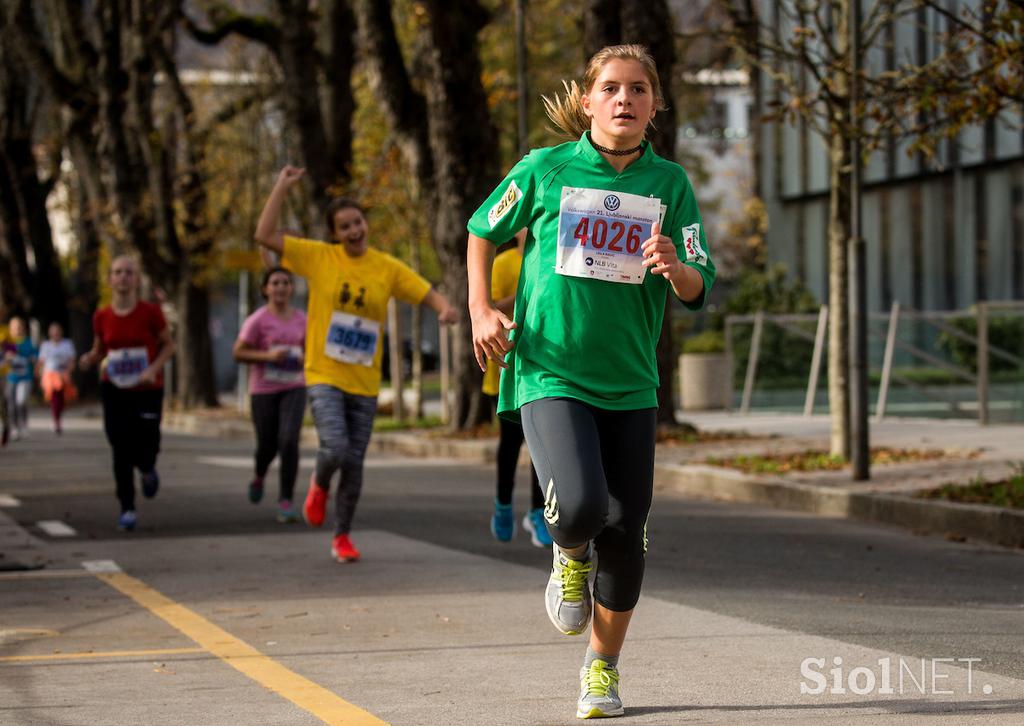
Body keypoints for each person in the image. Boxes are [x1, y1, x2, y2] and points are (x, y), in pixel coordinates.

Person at [467, 44, 716, 719]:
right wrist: (481, 308)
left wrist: (674, 263)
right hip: (550, 370)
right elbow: (481, 229)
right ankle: (566, 553)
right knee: (578, 507)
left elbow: (699, 283)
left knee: (628, 535)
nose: (624, 100)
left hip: (631, 381)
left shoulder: (671, 185)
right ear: (587, 99)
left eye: (638, 89)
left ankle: (601, 671)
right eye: (611, 88)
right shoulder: (546, 169)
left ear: (654, 105)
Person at [255, 165, 458, 563]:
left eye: (358, 222)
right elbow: (264, 236)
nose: (354, 231)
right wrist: (280, 186)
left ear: (366, 223)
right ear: (334, 234)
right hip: (324, 373)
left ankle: (342, 535)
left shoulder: (385, 266)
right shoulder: (318, 257)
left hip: (364, 380)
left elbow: (421, 289)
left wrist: (445, 308)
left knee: (354, 461)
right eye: (344, 227)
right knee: (334, 446)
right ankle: (317, 482)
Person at [79, 255, 175, 531]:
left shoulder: (150, 313)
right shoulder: (102, 316)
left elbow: (169, 346)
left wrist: (152, 369)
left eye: (129, 273)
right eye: (118, 272)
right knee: (119, 447)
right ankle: (127, 507)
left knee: (148, 441)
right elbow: (101, 349)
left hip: (147, 388)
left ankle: (147, 468)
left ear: (136, 279)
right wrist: (90, 359)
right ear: (110, 279)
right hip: (115, 387)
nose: (123, 277)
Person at [485, 230, 551, 548]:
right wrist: (524, 294)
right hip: (507, 365)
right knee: (510, 444)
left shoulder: (553, 252)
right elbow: (490, 307)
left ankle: (538, 512)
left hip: (543, 364)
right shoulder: (502, 263)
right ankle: (503, 504)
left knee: (543, 446)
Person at [233, 266, 307, 523]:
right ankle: (259, 474)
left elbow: (312, 352)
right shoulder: (257, 320)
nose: (281, 288)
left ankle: (286, 499)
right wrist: (268, 356)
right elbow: (238, 352)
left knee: (288, 440)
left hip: (294, 387)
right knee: (267, 444)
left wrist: (306, 358)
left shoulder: (303, 320)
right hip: (263, 390)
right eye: (275, 283)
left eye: (286, 282)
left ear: (292, 288)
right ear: (265, 289)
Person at [37, 322, 77, 435]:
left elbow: (71, 359)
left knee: (61, 398)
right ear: (49, 333)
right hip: (50, 374)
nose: (55, 333)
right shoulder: (46, 345)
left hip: (63, 373)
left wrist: (69, 370)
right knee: (54, 395)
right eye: (53, 331)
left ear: (61, 332)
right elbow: (41, 361)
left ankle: (57, 418)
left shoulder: (67, 344)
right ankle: (56, 420)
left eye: (57, 330)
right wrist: (38, 373)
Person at [4, 317, 38, 442]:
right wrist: (7, 357)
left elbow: (35, 355)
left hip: (25, 377)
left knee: (21, 401)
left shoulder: (28, 342)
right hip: (11, 377)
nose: (17, 329)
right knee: (11, 403)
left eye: (19, 326)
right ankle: (14, 428)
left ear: (23, 328)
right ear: (10, 328)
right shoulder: (7, 342)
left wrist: (33, 358)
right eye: (14, 327)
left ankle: (23, 425)